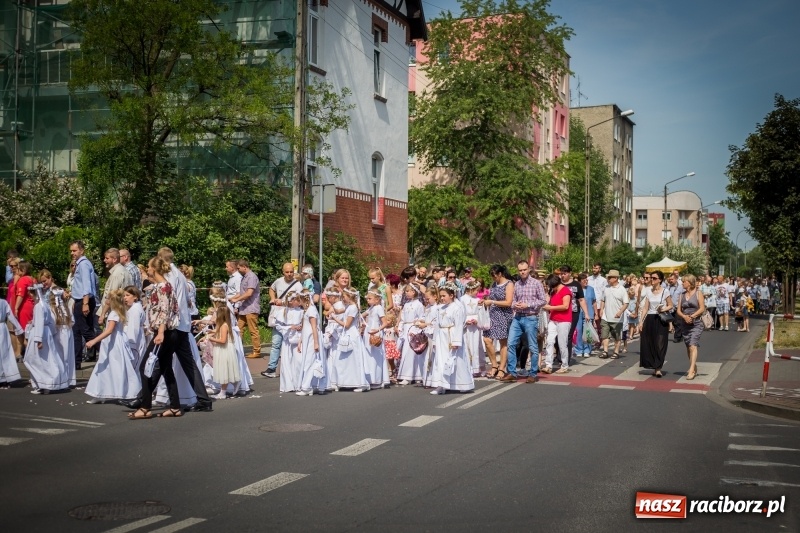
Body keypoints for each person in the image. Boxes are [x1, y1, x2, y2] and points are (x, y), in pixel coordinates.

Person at [159, 247, 213, 412]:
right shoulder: (179, 275)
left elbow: (169, 301)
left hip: (174, 324)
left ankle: (144, 397)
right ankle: (203, 398)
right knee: (186, 363)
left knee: (159, 361)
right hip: (182, 325)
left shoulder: (170, 276)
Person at [84, 289, 141, 404]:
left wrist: (94, 341)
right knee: (109, 366)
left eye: (107, 298)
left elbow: (109, 330)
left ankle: (124, 392)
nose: (106, 301)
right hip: (116, 342)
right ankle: (101, 393)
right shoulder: (120, 311)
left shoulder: (114, 313)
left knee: (110, 366)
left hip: (113, 343)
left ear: (112, 301)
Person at [503, 260, 546, 383]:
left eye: (524, 269)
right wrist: (515, 305)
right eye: (520, 270)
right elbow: (512, 301)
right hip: (517, 317)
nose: (522, 272)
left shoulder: (536, 283)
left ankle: (533, 373)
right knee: (511, 343)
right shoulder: (516, 284)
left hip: (530, 317)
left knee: (532, 346)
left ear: (529, 270)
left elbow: (543, 300)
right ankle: (512, 372)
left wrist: (528, 305)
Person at [427, 283, 474, 395]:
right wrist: (435, 340)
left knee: (455, 360)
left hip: (451, 336)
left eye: (444, 296)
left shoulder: (457, 308)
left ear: (452, 295)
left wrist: (456, 341)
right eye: (441, 296)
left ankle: (463, 384)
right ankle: (442, 385)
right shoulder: (439, 308)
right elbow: (437, 325)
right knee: (441, 360)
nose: (442, 298)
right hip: (441, 336)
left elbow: (458, 325)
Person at [23, 284, 70, 394]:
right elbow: (50, 322)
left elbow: (39, 323)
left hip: (39, 334)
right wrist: (50, 334)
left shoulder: (38, 306)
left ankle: (43, 383)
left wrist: (38, 340)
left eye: (31, 293)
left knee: (34, 360)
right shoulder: (45, 305)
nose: (29, 295)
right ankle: (46, 383)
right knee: (47, 359)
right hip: (46, 333)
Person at [263, 263, 302, 378]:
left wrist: (284, 302)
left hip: (291, 317)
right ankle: (271, 368)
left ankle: (291, 368)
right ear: (283, 272)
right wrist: (273, 298)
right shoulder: (279, 281)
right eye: (287, 272)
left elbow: (299, 301)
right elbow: (271, 288)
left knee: (290, 343)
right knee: (276, 342)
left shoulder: (298, 285)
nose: (289, 274)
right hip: (279, 314)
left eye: (291, 272)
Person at [481, 265, 514, 379]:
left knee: (503, 342)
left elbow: (508, 302)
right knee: (487, 339)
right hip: (492, 315)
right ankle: (494, 365)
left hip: (504, 315)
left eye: (494, 276)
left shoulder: (509, 284)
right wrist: (485, 301)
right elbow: (491, 298)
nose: (493, 278)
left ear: (500, 274)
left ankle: (502, 368)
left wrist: (492, 302)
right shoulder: (494, 284)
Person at [638, 270, 673, 378]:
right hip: (650, 318)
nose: (651, 280)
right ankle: (654, 365)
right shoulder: (648, 291)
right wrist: (641, 322)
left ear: (660, 280)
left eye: (654, 278)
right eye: (651, 278)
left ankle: (658, 368)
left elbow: (670, 305)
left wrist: (663, 309)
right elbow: (645, 308)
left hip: (661, 319)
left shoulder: (665, 291)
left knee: (660, 343)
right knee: (650, 342)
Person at [70, 240, 99, 363]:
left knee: (86, 330)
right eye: (71, 251)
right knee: (76, 331)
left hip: (84, 300)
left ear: (82, 250)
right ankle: (76, 361)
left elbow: (87, 284)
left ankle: (104, 351)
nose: (72, 253)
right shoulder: (79, 264)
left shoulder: (84, 264)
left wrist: (85, 303)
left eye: (75, 250)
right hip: (79, 300)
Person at [207, 298, 240, 400]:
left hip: (224, 349)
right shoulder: (223, 325)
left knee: (224, 370)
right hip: (223, 349)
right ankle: (233, 384)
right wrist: (211, 332)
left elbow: (223, 340)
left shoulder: (224, 326)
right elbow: (218, 331)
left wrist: (212, 339)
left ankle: (223, 392)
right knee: (225, 370)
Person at [229, 260, 261, 359]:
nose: (238, 270)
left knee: (253, 330)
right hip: (243, 308)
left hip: (251, 308)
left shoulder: (251, 277)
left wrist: (236, 299)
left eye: (238, 268)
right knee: (238, 329)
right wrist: (232, 298)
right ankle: (237, 348)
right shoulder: (244, 277)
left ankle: (257, 351)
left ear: (244, 267)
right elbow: (242, 292)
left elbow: (249, 293)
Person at [675, 274, 705, 380]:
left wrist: (692, 316)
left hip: (696, 323)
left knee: (693, 345)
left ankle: (691, 370)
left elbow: (702, 308)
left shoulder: (698, 293)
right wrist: (684, 316)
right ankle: (694, 366)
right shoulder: (681, 295)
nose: (682, 283)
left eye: (684, 281)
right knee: (688, 346)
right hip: (685, 323)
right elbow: (678, 310)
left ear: (690, 282)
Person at [396, 283, 427, 385]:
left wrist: (416, 330)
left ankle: (415, 375)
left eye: (408, 291)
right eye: (405, 291)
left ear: (414, 292)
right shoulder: (406, 304)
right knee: (406, 352)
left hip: (413, 329)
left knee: (413, 353)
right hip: (406, 329)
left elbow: (422, 317)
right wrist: (400, 327)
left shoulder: (419, 305)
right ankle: (407, 375)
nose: (406, 293)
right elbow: (403, 318)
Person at [541, 274, 573, 374]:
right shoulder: (553, 291)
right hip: (553, 319)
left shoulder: (565, 291)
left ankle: (564, 365)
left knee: (562, 343)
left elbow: (565, 306)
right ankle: (548, 365)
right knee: (550, 341)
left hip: (564, 320)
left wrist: (550, 308)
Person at [557, 265, 589, 363]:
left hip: (573, 312)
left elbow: (581, 299)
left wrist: (586, 313)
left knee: (569, 335)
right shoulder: (558, 284)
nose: (563, 276)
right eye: (561, 274)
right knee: (558, 335)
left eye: (565, 273)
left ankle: (566, 358)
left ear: (570, 273)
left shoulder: (576, 285)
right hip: (560, 312)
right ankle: (559, 356)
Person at [362, 288, 391, 388]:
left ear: (377, 299)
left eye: (370, 298)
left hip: (375, 333)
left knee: (375, 357)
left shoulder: (378, 308)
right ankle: (371, 378)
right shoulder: (371, 308)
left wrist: (377, 330)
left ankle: (377, 379)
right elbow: (362, 315)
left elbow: (385, 323)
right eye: (367, 298)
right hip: (369, 332)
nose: (367, 300)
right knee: (369, 356)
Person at [598, 269, 629, 359]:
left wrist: (620, 312)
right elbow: (603, 299)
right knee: (605, 335)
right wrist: (601, 309)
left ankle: (616, 352)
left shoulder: (622, 289)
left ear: (615, 278)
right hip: (606, 316)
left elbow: (626, 303)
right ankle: (605, 351)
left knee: (617, 336)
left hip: (617, 317)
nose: (608, 279)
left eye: (610, 277)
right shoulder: (606, 288)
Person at [98, 248, 133, 324]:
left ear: (114, 259)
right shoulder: (124, 271)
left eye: (107, 258)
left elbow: (111, 296)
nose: (104, 260)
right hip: (122, 311)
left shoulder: (116, 274)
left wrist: (103, 314)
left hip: (116, 313)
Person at [460, 280, 485, 377]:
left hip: (475, 327)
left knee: (477, 345)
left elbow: (480, 312)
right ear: (470, 289)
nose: (477, 293)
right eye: (476, 290)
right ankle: (469, 367)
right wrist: (465, 321)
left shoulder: (477, 300)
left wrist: (477, 320)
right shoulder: (462, 299)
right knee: (467, 345)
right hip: (467, 326)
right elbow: (461, 313)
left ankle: (477, 367)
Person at [0, 296, 23, 387]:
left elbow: (10, 315)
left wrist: (19, 328)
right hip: (2, 328)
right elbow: (11, 316)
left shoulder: (4, 302)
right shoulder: (4, 302)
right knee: (5, 353)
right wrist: (19, 329)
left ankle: (3, 377)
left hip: (2, 328)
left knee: (4, 353)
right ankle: (6, 376)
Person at [574, 273, 596, 358]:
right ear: (580, 281)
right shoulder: (576, 289)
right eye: (584, 280)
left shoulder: (591, 289)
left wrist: (596, 313)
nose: (586, 282)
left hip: (589, 312)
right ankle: (579, 349)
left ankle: (587, 349)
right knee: (579, 331)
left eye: (587, 280)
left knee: (588, 331)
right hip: (578, 312)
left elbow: (594, 301)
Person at [13, 260, 35, 332]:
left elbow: (20, 295)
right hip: (33, 305)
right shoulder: (33, 279)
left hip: (24, 307)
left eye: (18, 269)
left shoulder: (23, 280)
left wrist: (16, 308)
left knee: (25, 331)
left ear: (23, 270)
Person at [666, 272, 684, 342]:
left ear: (676, 279)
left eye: (672, 279)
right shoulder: (668, 287)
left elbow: (683, 296)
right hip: (670, 308)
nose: (671, 280)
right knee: (672, 322)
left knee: (678, 322)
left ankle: (677, 337)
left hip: (678, 307)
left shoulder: (680, 287)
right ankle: (680, 334)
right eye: (670, 279)